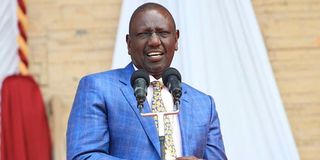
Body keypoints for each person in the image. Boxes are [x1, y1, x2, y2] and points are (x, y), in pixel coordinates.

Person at [67, 2, 227, 160]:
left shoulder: (204, 104)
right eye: (144, 34)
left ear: (176, 39)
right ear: (129, 43)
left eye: (163, 33)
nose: (154, 41)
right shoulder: (99, 88)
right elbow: (83, 156)